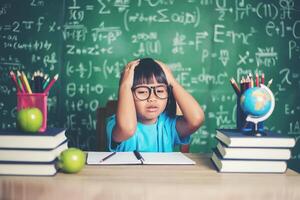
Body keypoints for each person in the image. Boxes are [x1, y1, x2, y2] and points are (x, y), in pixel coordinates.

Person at [106, 58, 205, 152]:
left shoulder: (168, 125)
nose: (152, 98)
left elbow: (196, 119)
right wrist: (125, 85)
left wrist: (172, 81)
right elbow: (127, 129)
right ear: (128, 96)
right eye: (142, 92)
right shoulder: (116, 124)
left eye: (160, 90)